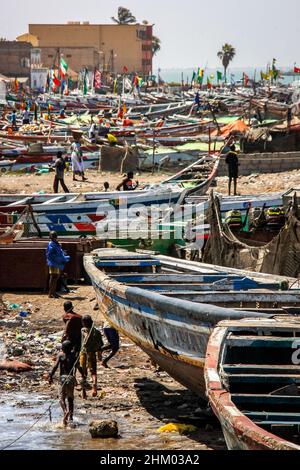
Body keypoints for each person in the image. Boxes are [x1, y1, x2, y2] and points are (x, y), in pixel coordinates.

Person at [48, 340, 77, 426]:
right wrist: (83, 376)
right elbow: (78, 366)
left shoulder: (60, 355)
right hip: (71, 378)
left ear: (62, 349)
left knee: (61, 398)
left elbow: (55, 366)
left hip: (62, 378)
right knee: (70, 398)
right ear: (71, 348)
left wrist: (50, 376)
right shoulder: (74, 356)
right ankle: (71, 417)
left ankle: (65, 411)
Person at [80, 315, 103, 398]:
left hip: (83, 354)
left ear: (84, 323)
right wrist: (99, 355)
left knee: (84, 373)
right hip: (92, 354)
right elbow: (100, 345)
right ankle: (94, 387)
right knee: (93, 372)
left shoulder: (83, 330)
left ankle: (84, 392)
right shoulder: (97, 332)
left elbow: (84, 341)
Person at [46, 231, 70, 298]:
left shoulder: (55, 243)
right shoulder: (51, 244)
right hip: (53, 262)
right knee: (53, 277)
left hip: (56, 262)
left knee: (55, 277)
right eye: (53, 236)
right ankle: (51, 293)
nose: (54, 237)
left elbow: (59, 252)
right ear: (50, 237)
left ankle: (53, 293)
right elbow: (50, 254)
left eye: (55, 236)